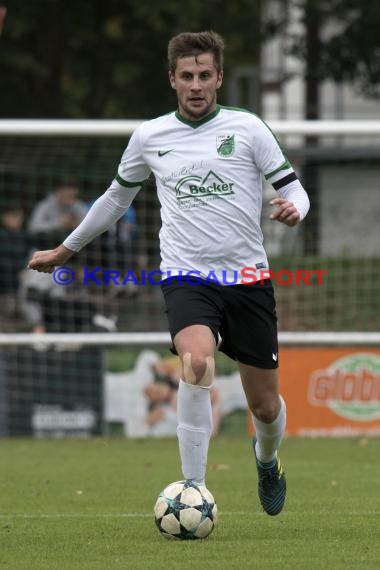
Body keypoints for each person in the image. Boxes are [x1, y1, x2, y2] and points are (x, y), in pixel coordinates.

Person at [28, 31, 310, 516]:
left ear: (219, 77)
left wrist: (294, 210)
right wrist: (66, 249)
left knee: (265, 407)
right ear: (172, 80)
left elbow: (295, 188)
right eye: (187, 76)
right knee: (196, 364)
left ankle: (267, 460)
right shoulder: (150, 136)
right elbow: (116, 198)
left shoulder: (248, 128)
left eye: (205, 75)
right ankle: (194, 491)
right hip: (186, 277)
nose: (196, 85)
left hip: (248, 282)